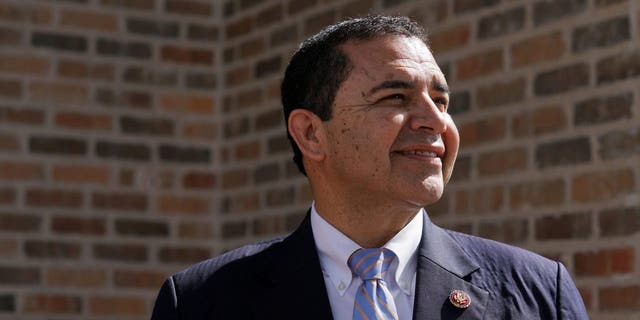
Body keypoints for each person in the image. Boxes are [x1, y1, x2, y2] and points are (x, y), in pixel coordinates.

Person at [151, 15, 588, 320]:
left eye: (440, 101)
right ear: (311, 134)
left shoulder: (537, 292)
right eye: (395, 98)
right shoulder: (200, 303)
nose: (436, 121)